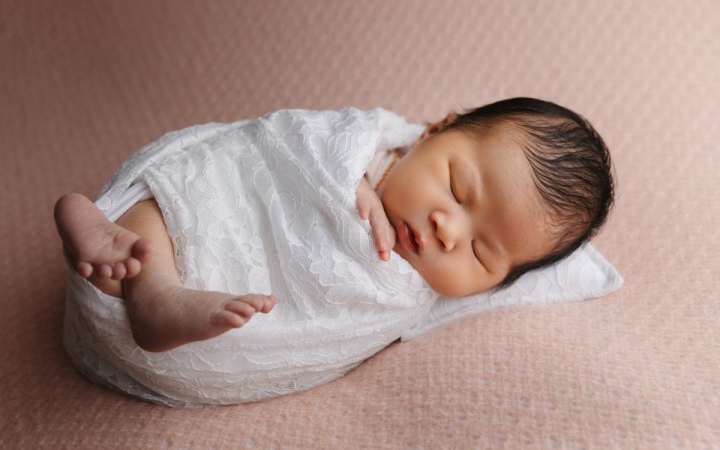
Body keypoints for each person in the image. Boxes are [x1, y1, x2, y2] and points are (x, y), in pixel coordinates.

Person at [55, 97, 613, 354]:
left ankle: (148, 291)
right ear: (435, 130)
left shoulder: (415, 293)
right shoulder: (366, 148)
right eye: (458, 188)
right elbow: (280, 142)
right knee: (177, 205)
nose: (448, 230)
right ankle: (124, 253)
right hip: (230, 200)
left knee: (127, 272)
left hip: (234, 289)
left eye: (482, 253)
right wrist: (352, 182)